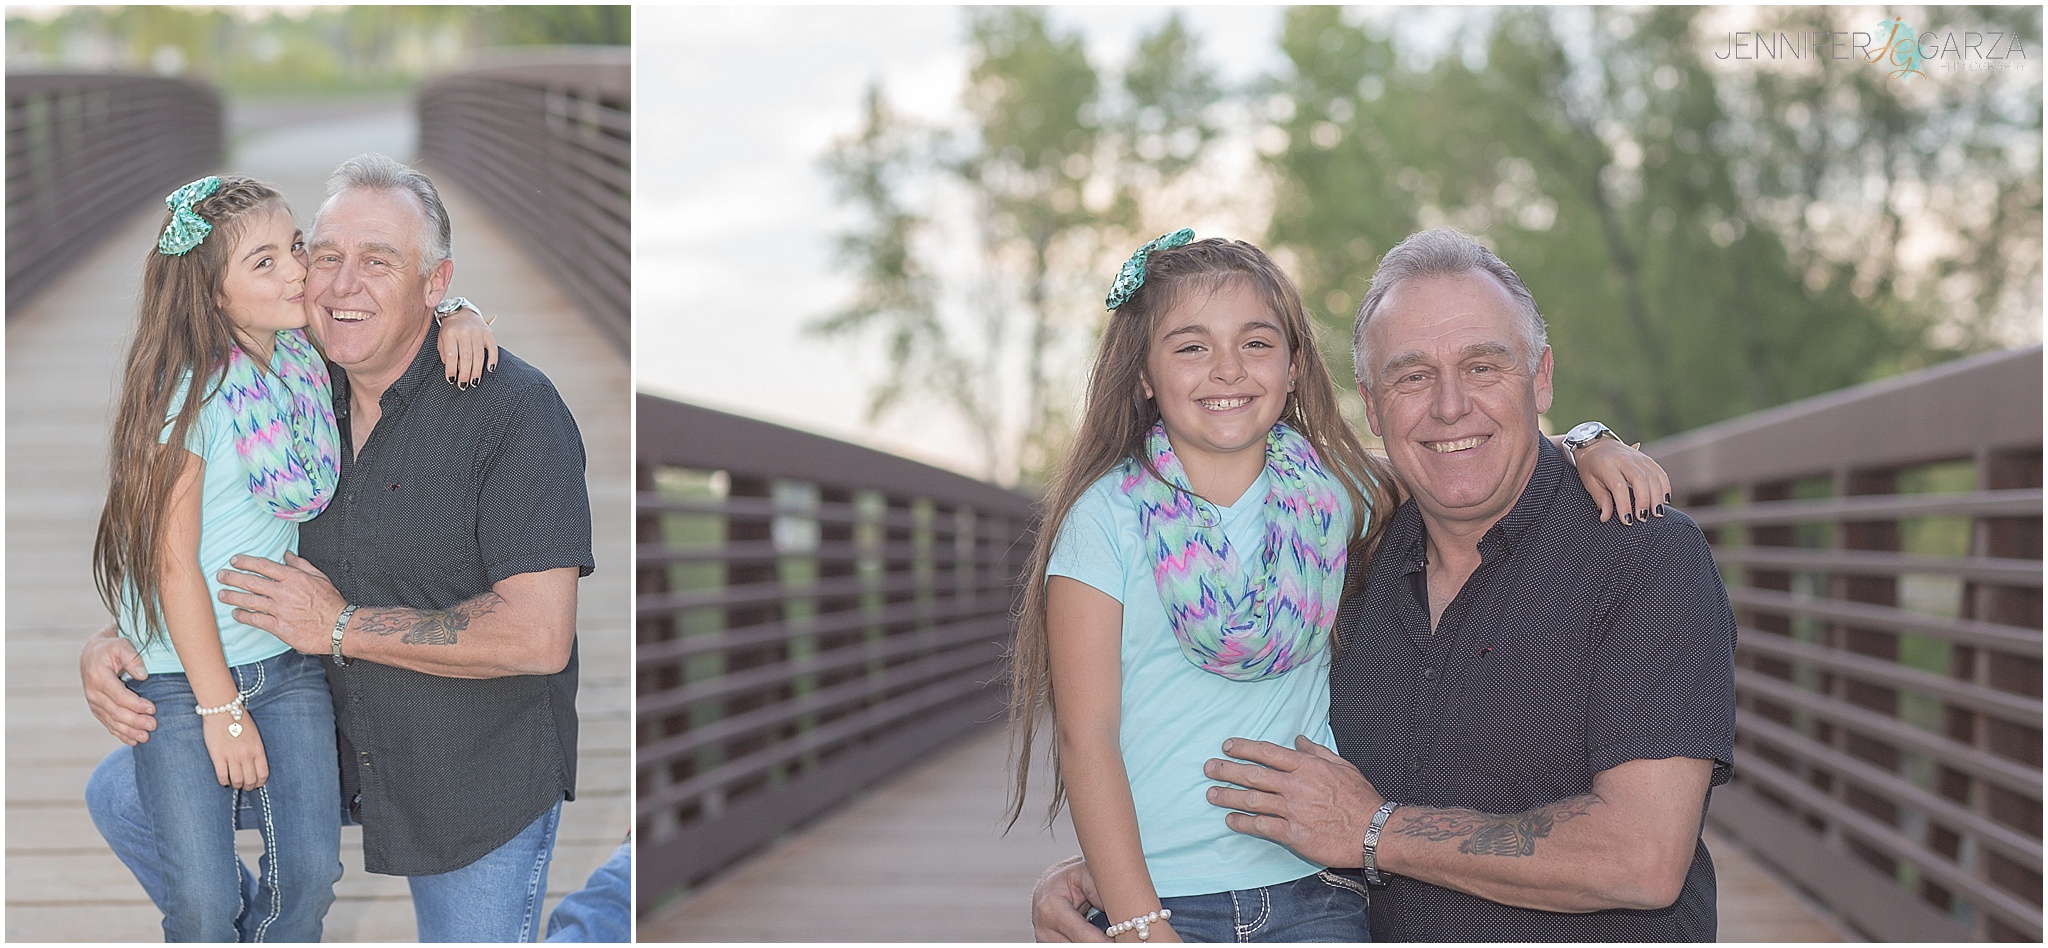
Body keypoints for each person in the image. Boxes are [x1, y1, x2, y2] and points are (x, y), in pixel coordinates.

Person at [1013, 231, 1675, 942]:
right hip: (1165, 898)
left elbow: (1460, 456)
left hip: (1318, 891)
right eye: (1192, 347)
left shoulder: (1333, 491)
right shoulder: (1104, 520)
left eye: (1257, 344)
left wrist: (1585, 441)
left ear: (1296, 367)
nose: (1228, 370)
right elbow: (1087, 740)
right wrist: (1138, 919)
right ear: (1144, 374)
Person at [81, 152, 594, 942]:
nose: (337, 284)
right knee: (123, 793)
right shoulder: (287, 377)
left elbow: (538, 635)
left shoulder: (514, 413)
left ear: (434, 281)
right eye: (324, 257)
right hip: (318, 726)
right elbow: (194, 531)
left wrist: (340, 626)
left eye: (379, 262)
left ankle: (604, 908)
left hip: (468, 766)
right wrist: (128, 635)